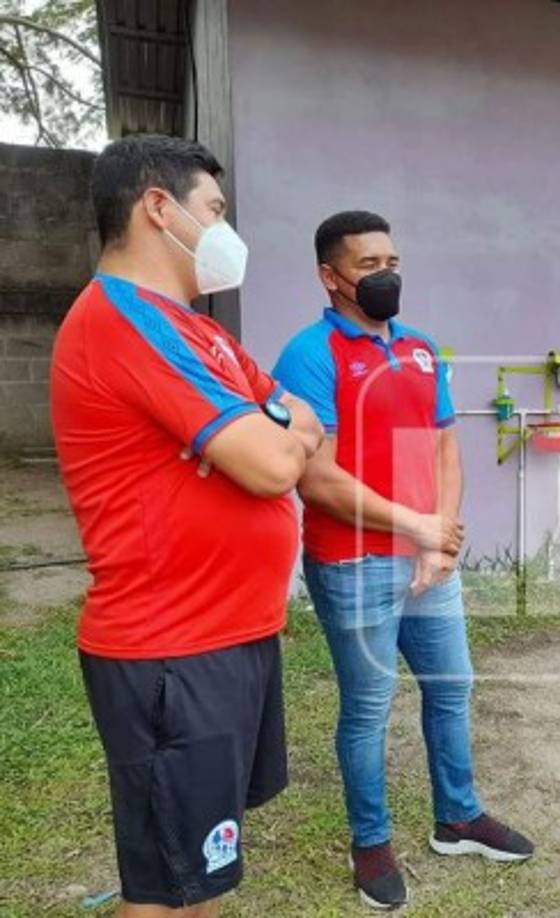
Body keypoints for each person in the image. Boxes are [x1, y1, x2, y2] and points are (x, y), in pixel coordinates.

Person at [50, 134, 324, 917]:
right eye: (215, 210)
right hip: (173, 650)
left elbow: (300, 425)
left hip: (228, 637)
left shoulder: (197, 330)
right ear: (158, 208)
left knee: (199, 869)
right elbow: (276, 462)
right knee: (170, 890)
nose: (225, 231)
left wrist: (277, 434)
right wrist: (275, 437)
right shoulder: (121, 322)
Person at [273, 210, 534, 910]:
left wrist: (440, 535)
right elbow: (316, 476)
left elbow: (446, 445)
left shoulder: (420, 348)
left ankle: (458, 817)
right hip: (354, 563)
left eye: (393, 261)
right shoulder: (309, 355)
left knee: (452, 688)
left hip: (427, 564)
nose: (387, 275)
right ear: (331, 277)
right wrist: (419, 526)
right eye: (369, 265)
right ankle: (372, 843)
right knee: (368, 707)